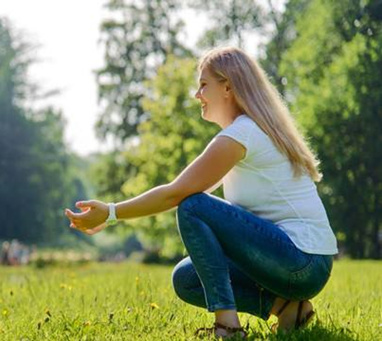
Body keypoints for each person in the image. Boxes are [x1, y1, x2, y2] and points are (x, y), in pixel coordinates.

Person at [65, 46, 338, 339]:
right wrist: (112, 214)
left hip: (301, 261)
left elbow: (177, 195)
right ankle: (287, 308)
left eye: (203, 85)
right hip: (305, 265)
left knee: (192, 206)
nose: (197, 95)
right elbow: (178, 194)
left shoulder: (242, 133)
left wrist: (112, 212)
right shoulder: (251, 130)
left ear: (228, 87)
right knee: (187, 278)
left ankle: (228, 327)